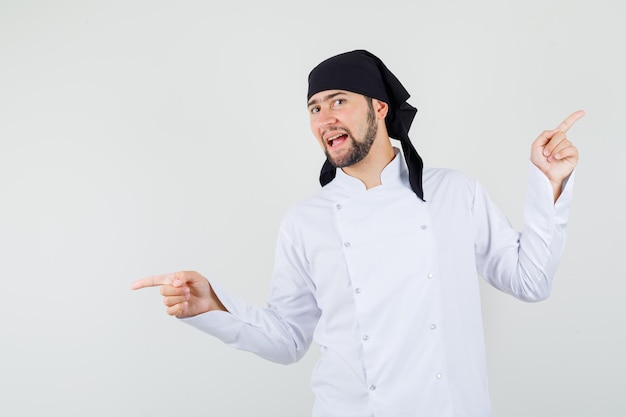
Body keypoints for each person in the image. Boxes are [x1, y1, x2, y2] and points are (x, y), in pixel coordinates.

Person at [131, 49, 583, 417]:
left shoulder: (454, 192)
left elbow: (531, 281)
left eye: (338, 100)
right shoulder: (305, 221)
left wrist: (549, 183)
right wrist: (216, 308)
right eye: (314, 107)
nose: (324, 117)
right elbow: (289, 340)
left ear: (379, 108)